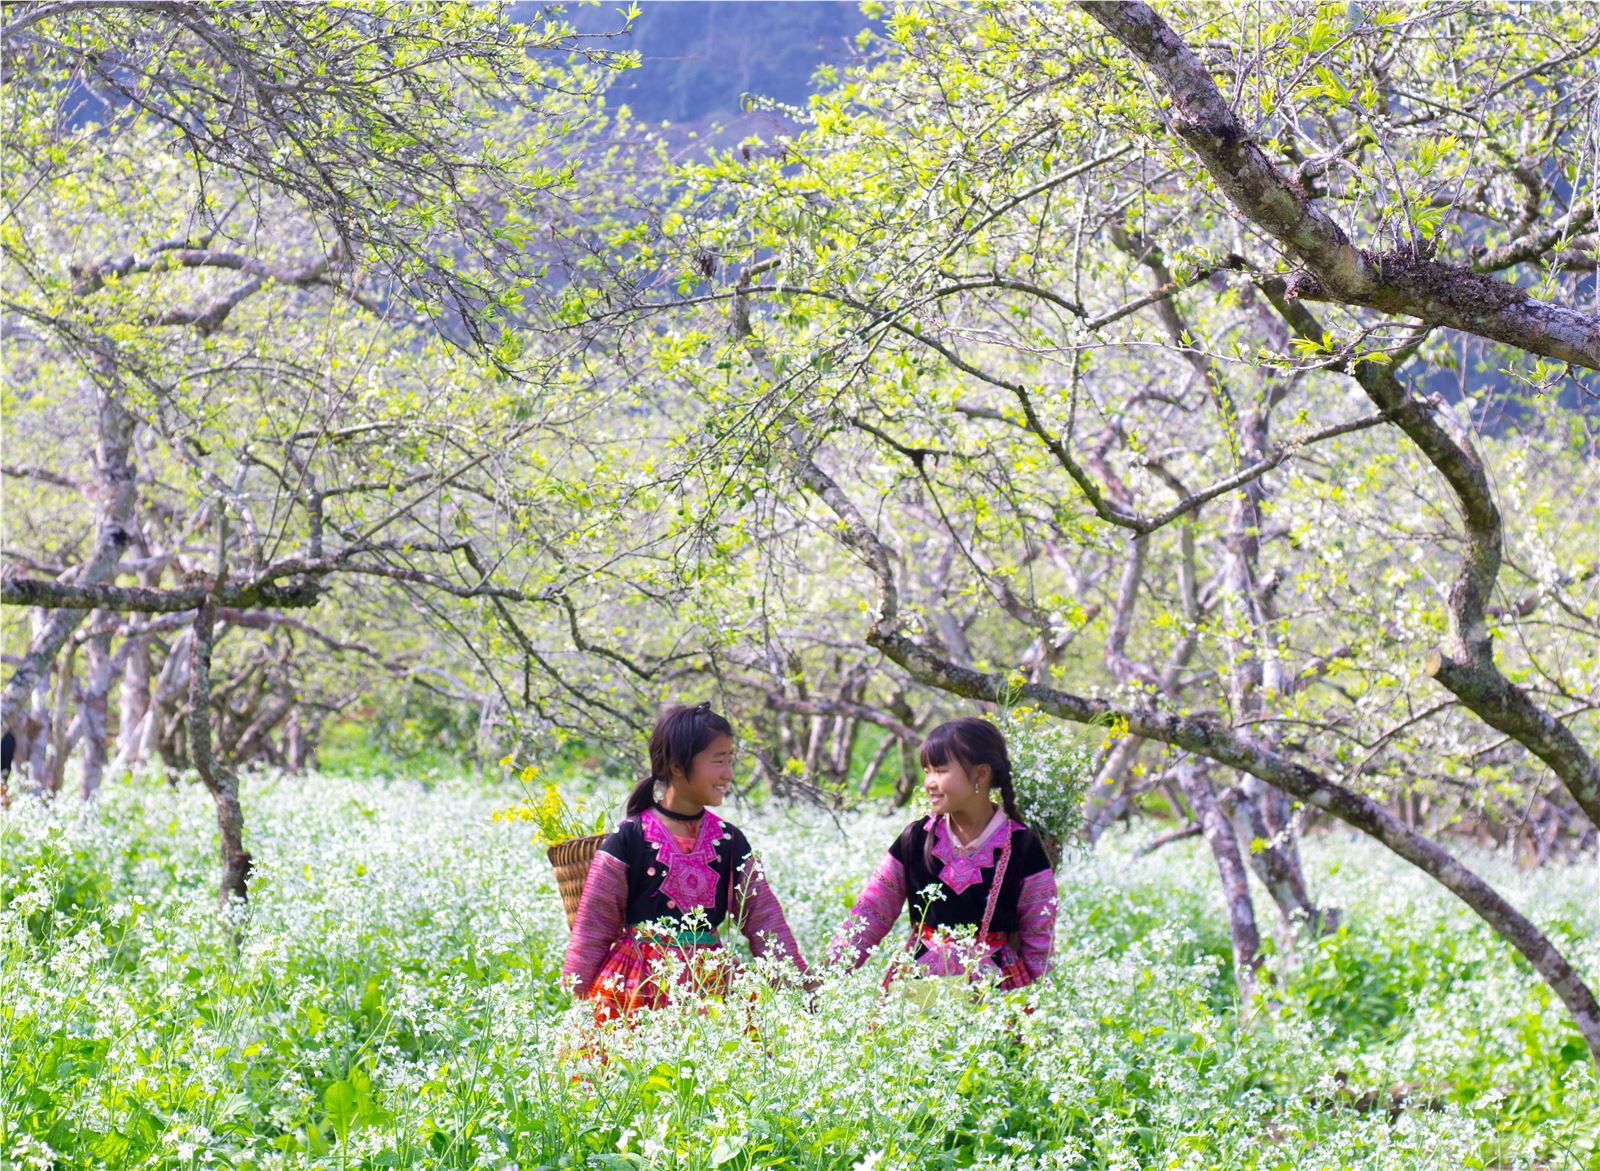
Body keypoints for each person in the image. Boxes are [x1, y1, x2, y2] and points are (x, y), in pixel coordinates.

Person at [562, 702, 807, 1020]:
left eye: (730, 761)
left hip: (712, 992)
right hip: (636, 991)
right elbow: (594, 929)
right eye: (719, 761)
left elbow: (765, 922)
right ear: (678, 766)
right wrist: (577, 1004)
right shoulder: (628, 839)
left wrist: (799, 990)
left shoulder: (730, 842)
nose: (728, 774)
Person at [830, 717, 1056, 993]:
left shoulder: (1021, 845)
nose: (929, 783)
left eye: (940, 770)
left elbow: (1038, 935)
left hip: (996, 992)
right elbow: (871, 912)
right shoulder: (915, 838)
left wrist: (1039, 1004)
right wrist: (828, 975)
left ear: (980, 775)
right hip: (919, 988)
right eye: (926, 771)